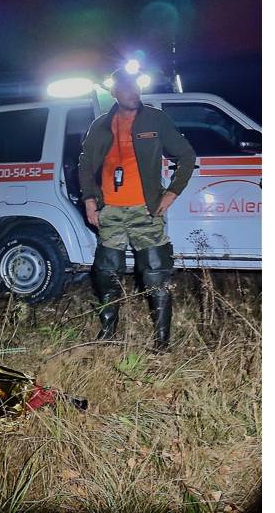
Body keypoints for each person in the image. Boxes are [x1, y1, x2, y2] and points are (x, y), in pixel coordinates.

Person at [77, 68, 196, 350]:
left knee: (156, 272)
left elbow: (187, 156)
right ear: (115, 92)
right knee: (106, 273)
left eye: (136, 88)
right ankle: (108, 332)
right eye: (127, 88)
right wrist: (90, 200)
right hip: (110, 211)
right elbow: (85, 164)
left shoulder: (156, 119)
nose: (134, 93)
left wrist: (171, 194)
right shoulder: (100, 125)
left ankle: (161, 341)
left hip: (146, 210)